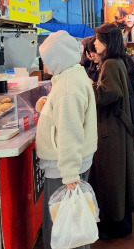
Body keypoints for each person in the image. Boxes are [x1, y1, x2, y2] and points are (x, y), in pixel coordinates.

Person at [36, 31, 98, 249]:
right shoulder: (71, 75)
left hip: (64, 168)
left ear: (57, 58)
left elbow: (70, 131)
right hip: (71, 163)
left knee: (65, 228)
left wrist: (70, 172)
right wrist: (47, 104)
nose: (44, 64)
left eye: (46, 59)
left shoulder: (69, 86)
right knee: (73, 221)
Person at [89, 23, 134, 239]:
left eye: (98, 39)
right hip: (116, 127)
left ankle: (115, 224)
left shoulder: (110, 64)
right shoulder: (117, 61)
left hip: (111, 129)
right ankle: (120, 222)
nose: (94, 43)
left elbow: (108, 95)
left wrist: (90, 85)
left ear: (107, 41)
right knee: (120, 175)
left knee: (111, 176)